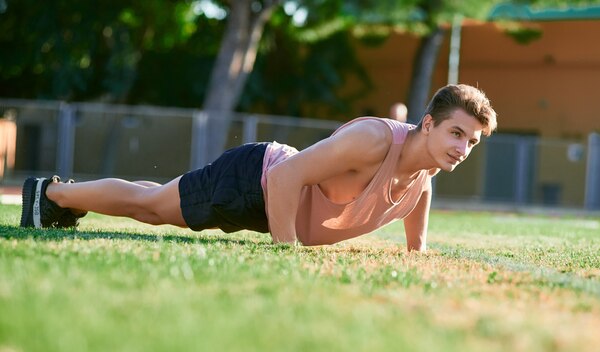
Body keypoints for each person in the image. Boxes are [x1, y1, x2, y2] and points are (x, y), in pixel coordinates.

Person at [20, 84, 497, 252]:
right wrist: (286, 251)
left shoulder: (424, 173)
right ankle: (53, 195)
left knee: (157, 198)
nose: (462, 147)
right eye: (456, 134)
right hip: (256, 179)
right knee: (151, 208)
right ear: (429, 123)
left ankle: (59, 195)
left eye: (471, 142)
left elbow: (418, 199)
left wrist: (419, 249)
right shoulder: (374, 140)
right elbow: (288, 177)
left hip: (269, 206)